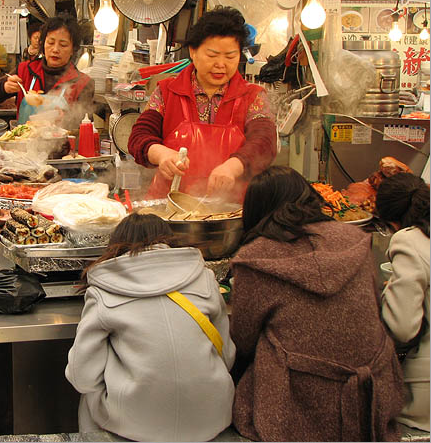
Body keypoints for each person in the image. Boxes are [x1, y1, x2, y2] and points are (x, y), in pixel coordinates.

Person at [229, 166, 404, 441]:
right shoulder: (356, 239)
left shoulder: (255, 258)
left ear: (255, 210)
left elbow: (242, 339)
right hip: (371, 398)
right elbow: (374, 304)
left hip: (294, 402)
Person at [65, 213, 235, 442]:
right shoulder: (205, 278)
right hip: (212, 417)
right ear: (168, 239)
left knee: (88, 398)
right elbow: (226, 356)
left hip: (134, 426)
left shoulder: (103, 289)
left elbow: (82, 376)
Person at [128, 7, 277, 201]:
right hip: (170, 206)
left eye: (230, 56)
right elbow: (139, 136)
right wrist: (161, 154)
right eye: (212, 55)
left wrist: (233, 166)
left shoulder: (252, 96)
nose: (221, 64)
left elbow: (265, 141)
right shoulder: (167, 91)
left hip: (231, 209)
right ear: (193, 52)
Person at [377, 172, 430, 431]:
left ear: (392, 220)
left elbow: (402, 327)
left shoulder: (408, 241)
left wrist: (388, 296)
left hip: (424, 395)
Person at [0, 14, 95, 127]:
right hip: (23, 143)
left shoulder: (83, 83)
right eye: (51, 43)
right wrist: (4, 87)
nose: (55, 49)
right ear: (43, 44)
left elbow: (85, 126)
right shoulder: (25, 70)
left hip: (62, 144)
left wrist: (68, 121)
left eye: (63, 45)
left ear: (73, 49)